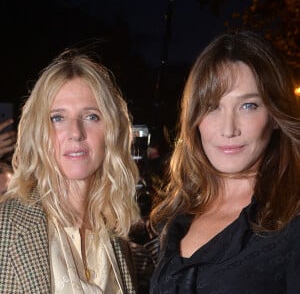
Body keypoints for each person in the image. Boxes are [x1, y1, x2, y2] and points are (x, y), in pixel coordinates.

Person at [150, 30, 300, 293]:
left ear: (275, 116)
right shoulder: (175, 215)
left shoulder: (292, 224)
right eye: (212, 106)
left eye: (248, 106)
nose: (228, 129)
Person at [0, 50, 140, 293]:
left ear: (111, 130)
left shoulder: (116, 237)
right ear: (39, 131)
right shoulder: (6, 226)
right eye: (58, 118)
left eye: (91, 116)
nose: (75, 132)